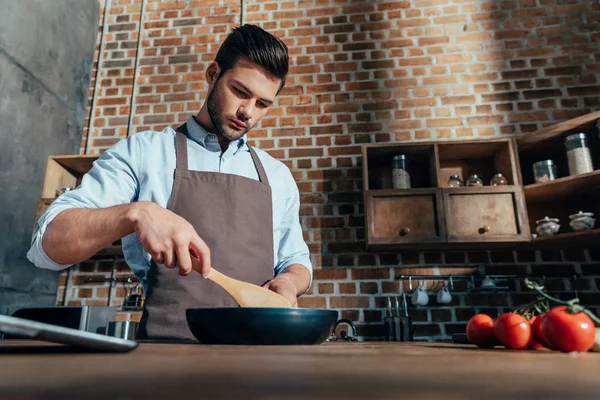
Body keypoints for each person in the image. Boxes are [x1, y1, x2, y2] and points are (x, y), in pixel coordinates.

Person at [27, 24, 313, 340]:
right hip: (166, 359)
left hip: (260, 358)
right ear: (212, 73)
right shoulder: (143, 153)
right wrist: (135, 214)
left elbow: (295, 260)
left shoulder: (277, 176)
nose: (247, 112)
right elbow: (46, 247)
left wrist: (289, 283)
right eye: (240, 92)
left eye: (262, 104)